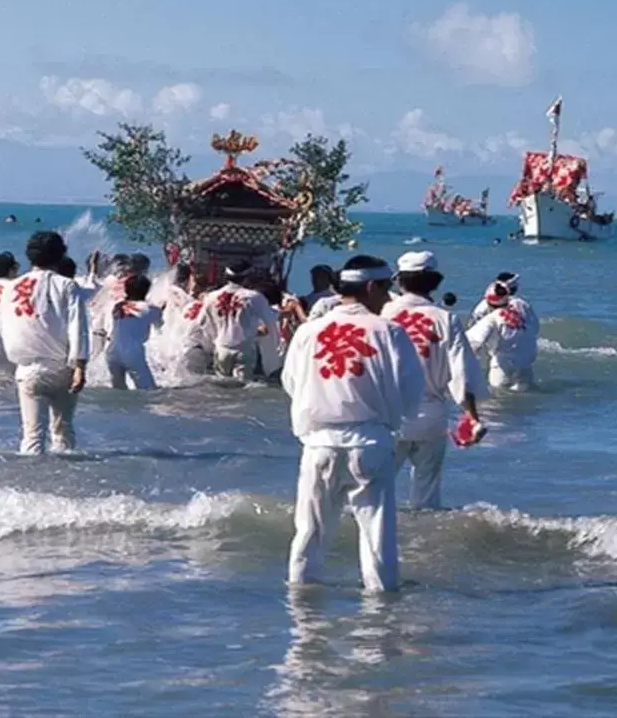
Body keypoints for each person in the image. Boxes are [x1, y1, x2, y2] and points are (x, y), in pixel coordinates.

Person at [280, 254, 424, 593]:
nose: (389, 298)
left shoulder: (309, 331)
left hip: (319, 443)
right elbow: (411, 393)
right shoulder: (389, 331)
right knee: (377, 540)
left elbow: (291, 382)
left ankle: (302, 620)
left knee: (309, 537)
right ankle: (380, 622)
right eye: (386, 289)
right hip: (370, 443)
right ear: (371, 287)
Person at [381, 252, 487, 509]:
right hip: (432, 415)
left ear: (398, 281)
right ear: (436, 282)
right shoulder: (446, 318)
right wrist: (472, 416)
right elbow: (461, 372)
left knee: (376, 493)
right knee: (426, 497)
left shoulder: (382, 315)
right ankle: (425, 545)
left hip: (388, 415)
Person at [0, 231, 89, 454]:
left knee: (31, 436)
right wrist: (80, 366)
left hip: (27, 369)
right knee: (63, 432)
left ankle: (29, 483)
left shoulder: (10, 287)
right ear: (60, 255)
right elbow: (79, 327)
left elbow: (3, 326)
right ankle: (64, 481)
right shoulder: (67, 285)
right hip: (62, 368)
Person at [200, 261, 278, 381]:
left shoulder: (211, 297)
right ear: (246, 277)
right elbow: (271, 319)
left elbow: (203, 323)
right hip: (244, 349)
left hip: (221, 348)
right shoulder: (254, 297)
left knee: (221, 388)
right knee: (243, 389)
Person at [467, 280, 540, 391]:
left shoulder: (491, 319)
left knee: (497, 400)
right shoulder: (522, 313)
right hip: (525, 364)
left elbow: (473, 342)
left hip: (502, 367)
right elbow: (535, 329)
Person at [106, 274, 163, 390]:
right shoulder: (150, 309)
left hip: (111, 351)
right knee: (149, 390)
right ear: (147, 290)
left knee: (118, 390)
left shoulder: (117, 306)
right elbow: (159, 325)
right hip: (132, 353)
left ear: (126, 289)